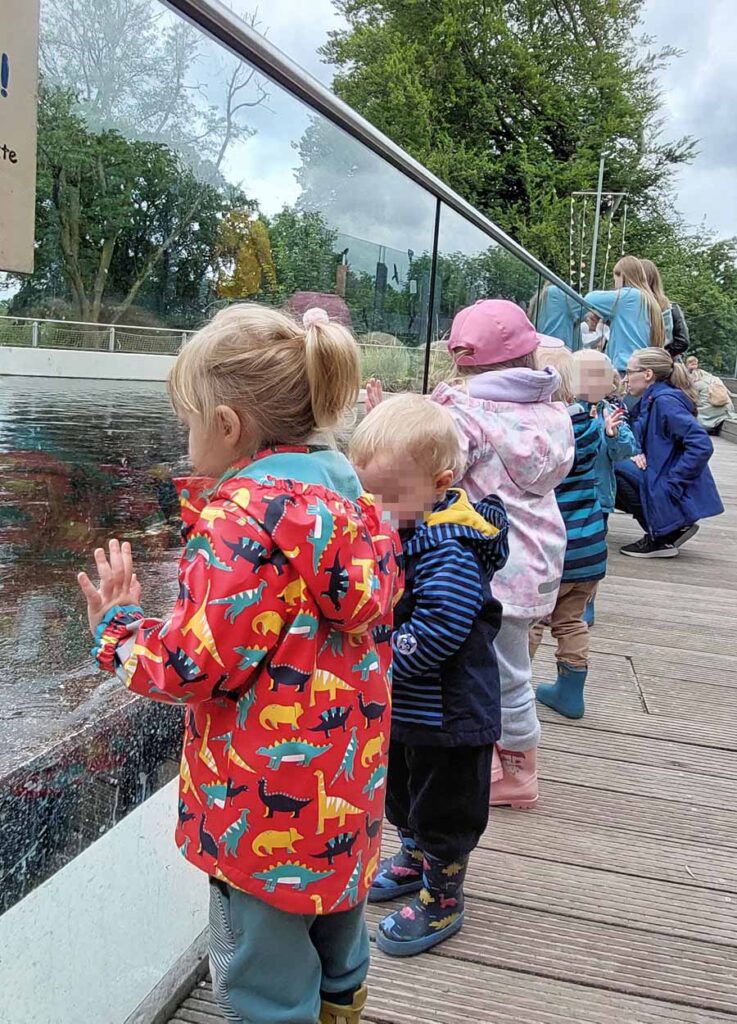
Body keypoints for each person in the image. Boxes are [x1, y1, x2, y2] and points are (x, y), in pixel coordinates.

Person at [77, 304, 403, 1024]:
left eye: (188, 422)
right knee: (338, 941)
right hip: (346, 796)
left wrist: (117, 628)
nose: (183, 439)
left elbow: (190, 667)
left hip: (257, 812)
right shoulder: (355, 503)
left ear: (227, 426)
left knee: (262, 976)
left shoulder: (244, 522)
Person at [349, 394, 509, 956]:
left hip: (451, 713)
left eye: (388, 495)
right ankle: (413, 857)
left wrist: (383, 660)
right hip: (412, 709)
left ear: (441, 483)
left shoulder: (449, 550)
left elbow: (441, 626)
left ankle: (444, 895)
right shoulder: (407, 529)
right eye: (364, 492)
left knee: (444, 806)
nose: (374, 505)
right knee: (404, 787)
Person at [527, 348, 609, 719]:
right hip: (591, 548)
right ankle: (570, 691)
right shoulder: (593, 426)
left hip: (556, 551)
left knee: (532, 619)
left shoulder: (553, 436)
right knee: (571, 620)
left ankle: (508, 686)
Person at [615, 347, 724, 558]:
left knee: (615, 468)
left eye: (628, 372)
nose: (625, 379)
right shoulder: (651, 399)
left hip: (664, 481)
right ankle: (668, 526)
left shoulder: (665, 402)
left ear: (647, 375)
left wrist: (674, 483)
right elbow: (637, 431)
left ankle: (664, 534)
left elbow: (701, 445)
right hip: (658, 474)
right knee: (615, 463)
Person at [572, 351, 639, 627]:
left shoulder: (611, 413)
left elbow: (626, 451)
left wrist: (612, 436)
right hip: (568, 493)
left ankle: (587, 602)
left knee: (593, 551)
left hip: (598, 496)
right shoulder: (564, 411)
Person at [585, 255, 666, 372]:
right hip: (642, 366)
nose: (615, 284)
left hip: (625, 366)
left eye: (615, 278)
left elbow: (590, 298)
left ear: (622, 276)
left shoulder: (628, 296)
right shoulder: (650, 301)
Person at [641, 258, 689, 358]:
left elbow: (682, 342)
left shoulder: (670, 308)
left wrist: (658, 357)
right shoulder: (670, 307)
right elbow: (682, 341)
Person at [686, 355, 737, 436]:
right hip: (726, 412)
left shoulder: (696, 384)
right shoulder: (716, 379)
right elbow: (729, 394)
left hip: (706, 420)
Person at [529, 283, 579, 348]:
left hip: (541, 346)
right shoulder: (556, 292)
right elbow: (582, 308)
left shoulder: (539, 300)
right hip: (559, 347)